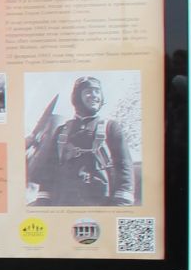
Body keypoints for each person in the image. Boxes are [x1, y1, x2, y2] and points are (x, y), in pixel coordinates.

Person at [26, 75, 135, 206]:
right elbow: (50, 169)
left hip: (100, 201)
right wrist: (43, 200)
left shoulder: (111, 127)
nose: (94, 95)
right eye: (88, 91)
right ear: (77, 97)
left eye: (97, 91)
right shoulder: (61, 131)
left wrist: (122, 201)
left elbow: (124, 165)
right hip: (64, 201)